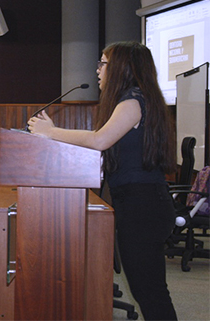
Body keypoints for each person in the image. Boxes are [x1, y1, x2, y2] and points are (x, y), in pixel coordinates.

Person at [27, 41, 177, 320]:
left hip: (142, 207)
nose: (98, 70)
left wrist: (51, 131)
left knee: (150, 291)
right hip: (139, 202)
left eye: (103, 63)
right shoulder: (136, 98)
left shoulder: (133, 100)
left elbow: (99, 140)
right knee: (149, 289)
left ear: (122, 66)